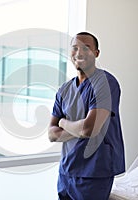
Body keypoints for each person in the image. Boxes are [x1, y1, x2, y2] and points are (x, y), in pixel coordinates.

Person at [48, 32, 125, 200]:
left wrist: (62, 122)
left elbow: (88, 128)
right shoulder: (64, 90)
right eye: (75, 48)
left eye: (86, 48)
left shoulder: (106, 83)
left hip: (94, 172)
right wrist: (78, 129)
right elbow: (51, 134)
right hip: (66, 171)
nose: (79, 52)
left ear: (96, 53)